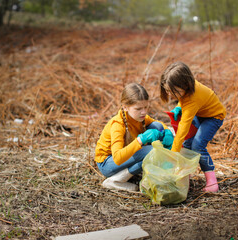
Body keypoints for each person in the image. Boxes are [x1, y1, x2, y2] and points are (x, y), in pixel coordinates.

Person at [160, 62, 226, 192]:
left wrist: (172, 156)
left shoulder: (193, 99)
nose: (170, 95)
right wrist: (179, 107)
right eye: (167, 90)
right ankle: (185, 175)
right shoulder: (186, 89)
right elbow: (183, 99)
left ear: (185, 85)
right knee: (188, 142)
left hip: (213, 116)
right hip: (200, 112)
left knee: (198, 145)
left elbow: (182, 131)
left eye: (174, 91)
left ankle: (212, 182)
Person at [95, 83, 174, 191]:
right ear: (125, 107)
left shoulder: (139, 118)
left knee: (157, 127)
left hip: (123, 158)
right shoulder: (118, 125)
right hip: (107, 164)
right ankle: (116, 180)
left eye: (146, 107)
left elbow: (156, 122)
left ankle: (159, 174)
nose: (144, 112)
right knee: (151, 150)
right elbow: (117, 158)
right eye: (138, 109)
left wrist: (167, 131)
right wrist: (140, 140)